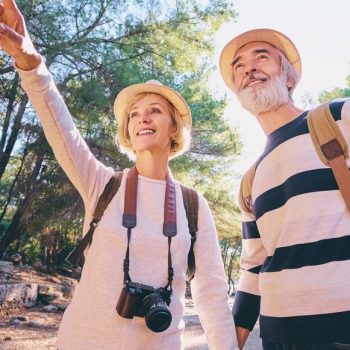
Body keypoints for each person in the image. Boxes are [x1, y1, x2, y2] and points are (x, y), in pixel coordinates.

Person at [0, 0, 239, 349]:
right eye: (134, 114)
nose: (142, 118)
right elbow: (60, 126)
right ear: (127, 130)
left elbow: (213, 293)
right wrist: (29, 60)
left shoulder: (193, 205)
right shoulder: (104, 185)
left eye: (155, 111)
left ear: (174, 128)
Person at [219, 28, 350, 350]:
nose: (249, 68)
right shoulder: (250, 180)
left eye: (261, 57)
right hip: (279, 337)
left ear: (289, 78)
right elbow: (253, 269)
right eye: (239, 66)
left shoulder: (338, 117)